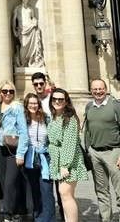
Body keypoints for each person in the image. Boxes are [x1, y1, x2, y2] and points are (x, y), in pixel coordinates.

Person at [83, 79, 120, 222]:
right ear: (91, 90)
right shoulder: (89, 106)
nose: (98, 92)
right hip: (95, 154)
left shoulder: (115, 106)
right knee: (101, 192)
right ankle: (106, 219)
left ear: (105, 89)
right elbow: (87, 129)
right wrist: (88, 149)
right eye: (95, 89)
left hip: (114, 153)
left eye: (101, 89)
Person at [0, 80, 29, 222]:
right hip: (0, 148)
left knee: (10, 182)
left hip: (13, 149)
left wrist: (21, 153)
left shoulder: (17, 107)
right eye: (5, 91)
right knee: (3, 181)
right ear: (0, 92)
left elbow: (24, 132)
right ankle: (14, 211)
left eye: (11, 91)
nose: (8, 94)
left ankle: (7, 214)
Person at [48, 89, 88, 222]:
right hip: (57, 161)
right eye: (54, 99)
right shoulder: (54, 117)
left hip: (68, 163)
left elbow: (69, 144)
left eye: (61, 99)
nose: (57, 102)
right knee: (64, 195)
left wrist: (65, 165)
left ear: (66, 102)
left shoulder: (69, 119)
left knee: (66, 195)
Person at [23, 93, 56, 222]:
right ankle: (38, 217)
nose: (33, 105)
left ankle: (49, 218)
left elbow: (51, 137)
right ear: (26, 104)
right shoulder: (23, 119)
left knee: (46, 190)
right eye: (30, 103)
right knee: (34, 190)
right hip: (29, 159)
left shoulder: (46, 118)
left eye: (35, 103)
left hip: (45, 158)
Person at [12, 0, 45, 68]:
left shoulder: (30, 9)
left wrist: (35, 21)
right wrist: (14, 29)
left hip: (31, 27)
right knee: (23, 46)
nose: (26, 0)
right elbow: (14, 20)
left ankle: (31, 61)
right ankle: (22, 62)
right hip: (22, 29)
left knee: (32, 45)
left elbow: (33, 18)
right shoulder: (17, 8)